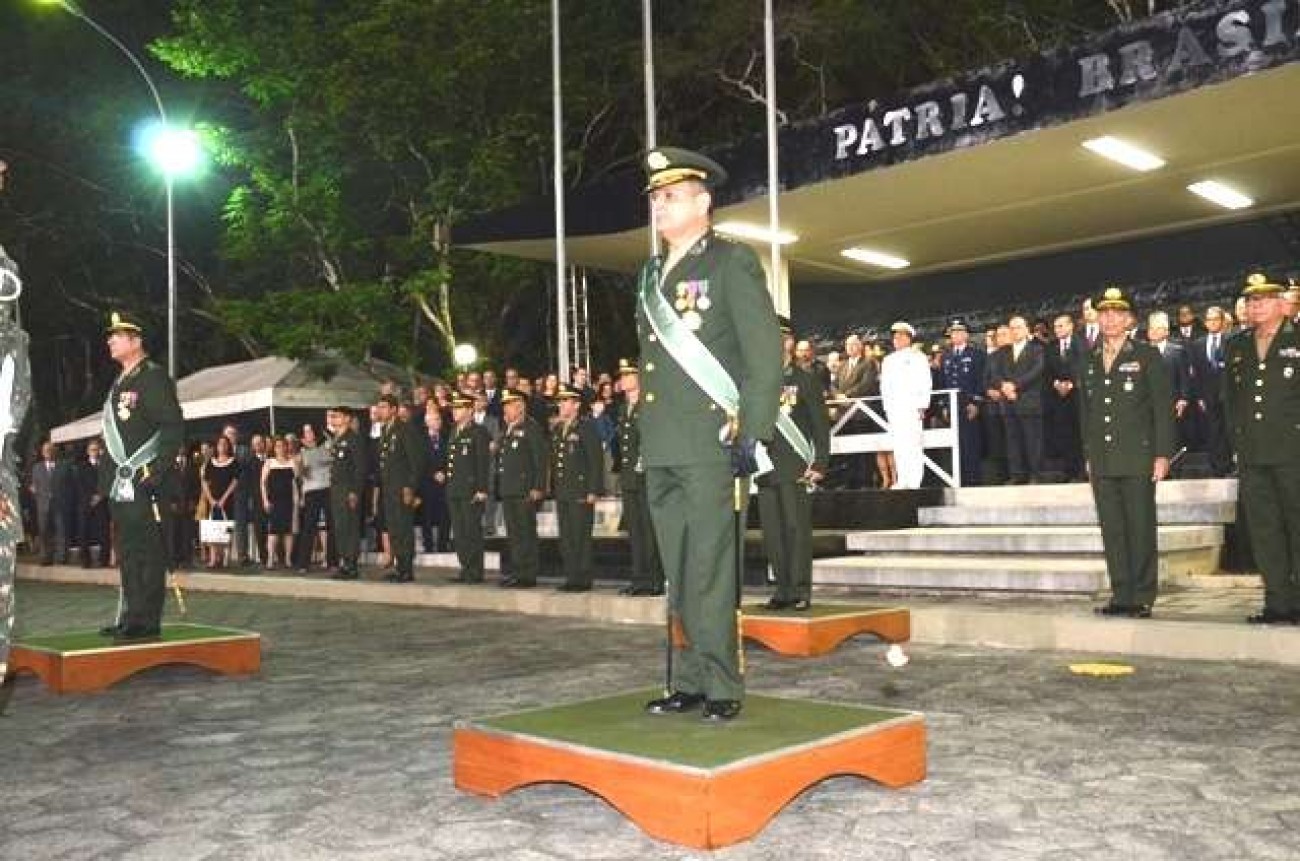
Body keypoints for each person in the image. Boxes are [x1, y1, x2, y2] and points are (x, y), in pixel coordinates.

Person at [635, 146, 782, 722]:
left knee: (711, 566)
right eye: (654, 198)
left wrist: (754, 427)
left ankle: (722, 684)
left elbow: (763, 354)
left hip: (709, 443)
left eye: (670, 196)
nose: (659, 206)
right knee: (678, 565)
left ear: (703, 201)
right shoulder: (650, 275)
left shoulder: (729, 263)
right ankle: (689, 678)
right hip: (663, 442)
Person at [1079, 288, 1174, 619]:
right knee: (1113, 528)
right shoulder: (1089, 359)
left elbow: (1162, 408)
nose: (1109, 318)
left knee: (1139, 525)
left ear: (1130, 319)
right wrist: (1089, 454)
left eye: (1117, 313)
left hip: (1138, 455)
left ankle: (1142, 596)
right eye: (1104, 313)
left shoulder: (1146, 355)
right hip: (1103, 458)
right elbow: (1086, 412)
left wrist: (1163, 454)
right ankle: (1121, 593)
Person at [98, 312, 184, 641]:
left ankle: (146, 621)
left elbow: (172, 426)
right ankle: (130, 616)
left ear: (136, 341)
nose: (110, 341)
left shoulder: (153, 377)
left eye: (116, 336)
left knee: (147, 553)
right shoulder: (121, 380)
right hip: (121, 485)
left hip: (144, 480)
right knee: (129, 551)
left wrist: (157, 469)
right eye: (110, 337)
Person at [1223, 274, 1300, 624]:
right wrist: (1236, 444)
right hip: (1253, 452)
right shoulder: (1238, 346)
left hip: (1292, 450)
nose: (1256, 306)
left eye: (1264, 299)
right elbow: (1231, 401)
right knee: (1265, 529)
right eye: (1252, 301)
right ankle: (1278, 602)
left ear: (1282, 303)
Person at [758, 318, 829, 610]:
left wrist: (820, 463)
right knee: (773, 533)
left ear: (789, 342)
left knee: (796, 529)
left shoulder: (805, 380)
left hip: (795, 466)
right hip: (765, 468)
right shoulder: (758, 382)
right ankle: (782, 590)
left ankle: (800, 590)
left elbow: (820, 426)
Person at [614, 360, 663, 596]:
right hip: (629, 477)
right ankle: (639, 577)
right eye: (622, 376)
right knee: (635, 530)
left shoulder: (649, 405)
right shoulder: (624, 408)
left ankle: (655, 578)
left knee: (649, 528)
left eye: (628, 375)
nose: (623, 379)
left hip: (646, 475)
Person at [550, 383, 604, 592]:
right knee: (567, 536)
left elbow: (595, 460)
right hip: (564, 490)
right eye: (560, 401)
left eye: (565, 401)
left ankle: (583, 577)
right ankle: (571, 575)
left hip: (580, 490)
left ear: (577, 405)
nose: (561, 405)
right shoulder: (558, 429)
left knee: (580, 535)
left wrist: (593, 490)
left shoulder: (585, 427)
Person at [496, 389, 547, 588]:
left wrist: (538, 486)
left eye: (509, 405)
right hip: (509, 489)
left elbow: (540, 460)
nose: (505, 409)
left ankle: (528, 573)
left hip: (525, 489)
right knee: (514, 533)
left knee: (526, 532)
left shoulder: (531, 427)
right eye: (504, 406)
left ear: (520, 406)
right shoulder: (507, 429)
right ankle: (518, 571)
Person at [375, 394, 425, 583]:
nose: (380, 411)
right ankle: (399, 565)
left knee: (403, 528)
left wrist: (410, 487)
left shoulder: (404, 429)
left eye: (384, 407)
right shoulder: (386, 431)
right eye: (379, 407)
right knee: (394, 528)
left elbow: (416, 461)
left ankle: (406, 569)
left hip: (401, 487)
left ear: (394, 409)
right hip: (389, 488)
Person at [445, 393, 492, 583]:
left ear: (469, 410)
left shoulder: (478, 432)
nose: (455, 412)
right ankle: (465, 567)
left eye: (459, 408)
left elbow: (482, 462)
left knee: (471, 531)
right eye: (454, 408)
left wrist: (482, 489)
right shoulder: (454, 431)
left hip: (471, 489)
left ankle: (475, 571)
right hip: (455, 488)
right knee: (460, 532)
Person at [880, 322, 932, 489]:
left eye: (901, 337)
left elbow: (925, 382)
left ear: (909, 338)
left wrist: (923, 404)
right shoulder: (888, 360)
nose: (897, 340)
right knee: (899, 445)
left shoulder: (918, 357)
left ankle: (915, 481)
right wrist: (887, 407)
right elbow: (885, 386)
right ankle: (903, 480)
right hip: (895, 408)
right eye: (895, 337)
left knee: (914, 444)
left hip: (912, 407)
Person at [997, 315, 1046, 484]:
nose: (1014, 331)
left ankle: (1035, 475)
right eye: (1011, 328)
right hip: (1009, 403)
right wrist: (1004, 386)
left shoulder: (1036, 349)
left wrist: (1014, 386)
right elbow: (997, 373)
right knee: (1013, 441)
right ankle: (1017, 475)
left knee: (1033, 440)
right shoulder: (1003, 352)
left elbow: (1036, 371)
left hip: (1029, 401)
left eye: (1018, 327)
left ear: (1026, 330)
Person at [940, 319, 985, 487]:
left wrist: (976, 402)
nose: (955, 335)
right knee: (955, 444)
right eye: (953, 333)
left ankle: (973, 480)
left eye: (959, 332)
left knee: (971, 443)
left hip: (968, 404)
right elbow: (944, 382)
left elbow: (981, 380)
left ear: (966, 334)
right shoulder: (946, 356)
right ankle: (959, 479)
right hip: (952, 405)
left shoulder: (976, 355)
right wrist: (944, 405)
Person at [1190, 306, 1232, 476]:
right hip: (1207, 394)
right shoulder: (1198, 344)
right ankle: (1217, 466)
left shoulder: (1230, 340)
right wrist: (1199, 396)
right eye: (1209, 319)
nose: (1212, 322)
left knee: (1228, 428)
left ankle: (1230, 464)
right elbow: (1196, 374)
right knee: (1213, 430)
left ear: (1222, 322)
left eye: (1216, 319)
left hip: (1228, 393)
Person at [1044, 314, 1086, 482]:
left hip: (1077, 395)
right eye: (1055, 327)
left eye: (1061, 326)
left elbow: (1084, 366)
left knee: (1079, 434)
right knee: (1063, 434)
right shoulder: (1052, 347)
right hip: (1058, 397)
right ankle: (1068, 471)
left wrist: (1071, 384)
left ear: (1070, 326)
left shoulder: (1081, 343)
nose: (1058, 330)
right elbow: (1047, 370)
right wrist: (1056, 383)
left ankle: (1082, 471)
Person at [326, 406, 366, 580]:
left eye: (339, 416)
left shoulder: (353, 439)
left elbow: (360, 468)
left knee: (349, 527)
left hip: (348, 488)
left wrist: (354, 491)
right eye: (333, 416)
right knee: (340, 527)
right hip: (336, 489)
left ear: (348, 419)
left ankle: (351, 564)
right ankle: (344, 561)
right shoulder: (337, 439)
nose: (335, 419)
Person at [1146, 311, 1193, 456]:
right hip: (1148, 405)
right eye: (1150, 328)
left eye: (1157, 328)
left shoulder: (1177, 351)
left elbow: (1184, 378)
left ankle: (1173, 467)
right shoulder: (1142, 352)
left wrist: (1183, 398)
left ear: (1166, 331)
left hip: (1171, 403)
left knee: (1171, 438)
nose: (1152, 332)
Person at [293, 423, 332, 573]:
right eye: (305, 432)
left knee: (331, 525)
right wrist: (300, 466)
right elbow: (299, 475)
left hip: (327, 488)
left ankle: (331, 561)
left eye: (310, 431)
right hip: (311, 491)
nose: (308, 434)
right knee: (309, 526)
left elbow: (332, 461)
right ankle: (303, 563)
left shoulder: (326, 447)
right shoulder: (301, 453)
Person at [30, 440, 72, 565]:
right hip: (43, 505)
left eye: (50, 450)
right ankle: (45, 557)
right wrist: (35, 492)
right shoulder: (37, 468)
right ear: (42, 453)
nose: (48, 452)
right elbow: (34, 485)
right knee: (44, 532)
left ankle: (61, 557)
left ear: (55, 452)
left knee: (61, 531)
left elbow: (70, 486)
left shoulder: (64, 466)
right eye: (45, 450)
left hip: (60, 504)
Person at [261, 436, 300, 569]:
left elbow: (296, 483)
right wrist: (265, 500)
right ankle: (270, 559)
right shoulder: (269, 462)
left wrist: (297, 501)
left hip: (289, 501)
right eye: (277, 446)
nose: (280, 448)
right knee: (273, 532)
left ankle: (288, 559)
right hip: (274, 501)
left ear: (286, 447)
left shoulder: (292, 462)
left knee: (288, 531)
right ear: (274, 448)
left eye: (283, 445)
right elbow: (263, 484)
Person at [201, 435, 239, 569]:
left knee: (226, 529)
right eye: (220, 444)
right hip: (212, 501)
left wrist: (224, 498)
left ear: (228, 446)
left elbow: (235, 481)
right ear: (216, 446)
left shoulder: (233, 462)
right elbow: (205, 482)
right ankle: (213, 559)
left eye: (225, 444)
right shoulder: (211, 463)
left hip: (227, 501)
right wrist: (210, 499)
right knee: (212, 530)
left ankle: (225, 558)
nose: (222, 446)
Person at [418, 407, 452, 553]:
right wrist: (432, 473)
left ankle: (443, 544)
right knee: (427, 515)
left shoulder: (447, 438)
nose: (439, 422)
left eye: (439, 419)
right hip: (427, 484)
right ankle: (428, 544)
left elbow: (451, 459)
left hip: (444, 483)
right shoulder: (420, 440)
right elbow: (419, 461)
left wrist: (444, 472)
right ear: (427, 422)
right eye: (435, 419)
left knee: (445, 515)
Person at [73, 439, 110, 567]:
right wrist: (91, 497)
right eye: (92, 449)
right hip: (86, 504)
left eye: (96, 449)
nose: (95, 452)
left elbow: (108, 482)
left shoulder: (105, 466)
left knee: (104, 532)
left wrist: (100, 495)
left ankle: (103, 560)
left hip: (102, 503)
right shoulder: (81, 467)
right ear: (88, 452)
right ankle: (85, 560)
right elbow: (79, 485)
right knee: (84, 532)